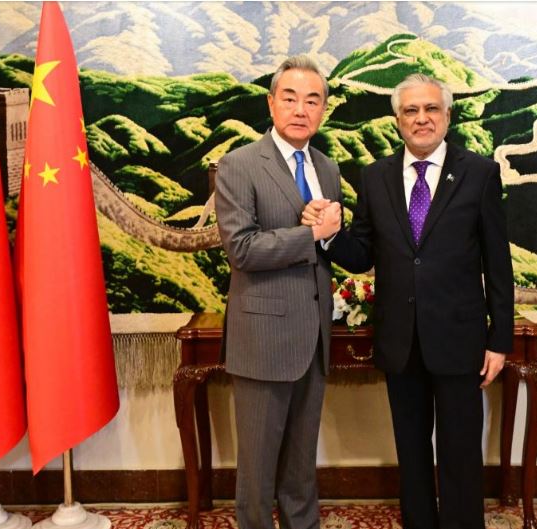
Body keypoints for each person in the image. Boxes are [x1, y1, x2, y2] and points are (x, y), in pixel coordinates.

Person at [304, 73, 514, 529]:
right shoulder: (375, 176)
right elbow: (362, 255)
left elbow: (498, 262)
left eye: (431, 109)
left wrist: (499, 340)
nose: (422, 118)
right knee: (412, 450)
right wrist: (328, 235)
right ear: (398, 120)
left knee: (460, 450)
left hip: (460, 340)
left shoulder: (479, 173)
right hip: (400, 341)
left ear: (447, 116)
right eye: (411, 111)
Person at [214, 55, 342, 529]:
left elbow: (328, 244)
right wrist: (309, 235)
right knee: (257, 471)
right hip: (263, 342)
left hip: (314, 340)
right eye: (289, 98)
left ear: (323, 110)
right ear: (271, 104)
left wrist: (329, 233)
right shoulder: (240, 164)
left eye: (312, 100)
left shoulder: (327, 168)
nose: (300, 109)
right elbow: (242, 249)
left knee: (301, 467)